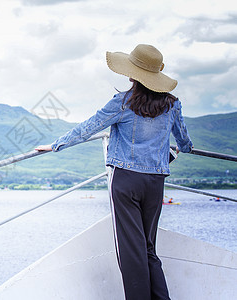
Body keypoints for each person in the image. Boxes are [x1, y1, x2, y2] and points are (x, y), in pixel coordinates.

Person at [36, 44, 193, 300]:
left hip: (126, 181)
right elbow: (184, 140)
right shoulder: (172, 105)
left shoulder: (123, 102)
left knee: (132, 251)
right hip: (155, 182)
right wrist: (185, 147)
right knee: (149, 248)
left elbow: (89, 127)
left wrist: (55, 145)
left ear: (132, 74)